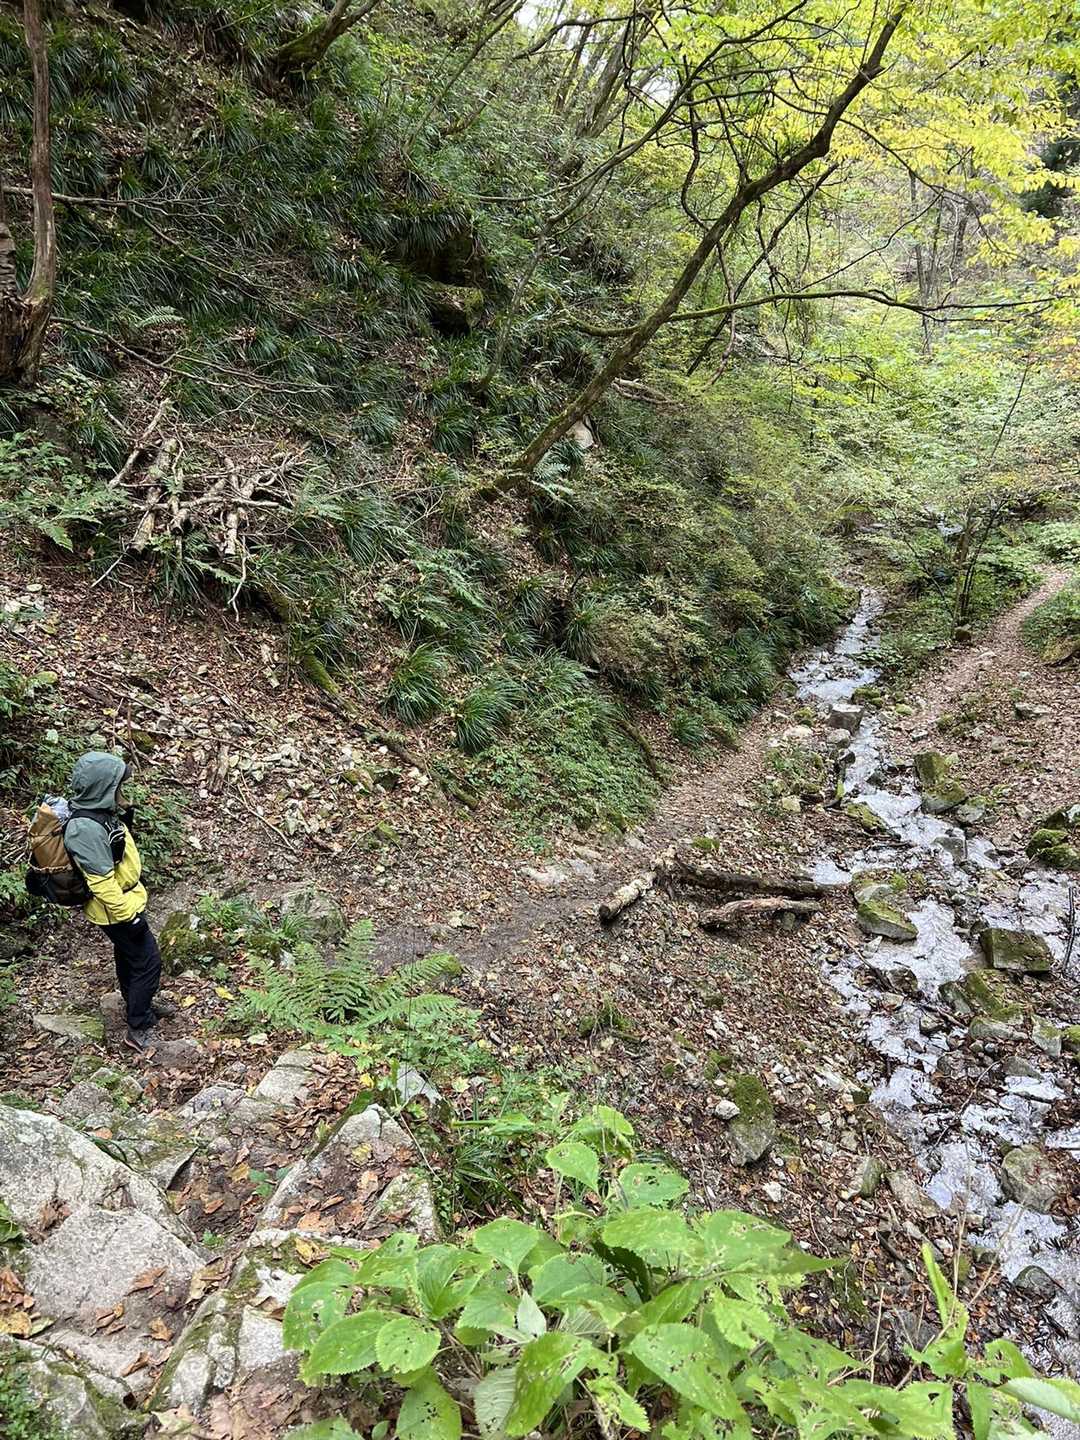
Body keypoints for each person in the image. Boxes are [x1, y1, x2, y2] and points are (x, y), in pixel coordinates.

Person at [64, 752, 173, 1052]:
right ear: (103, 787)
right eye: (117, 785)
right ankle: (138, 1027)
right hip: (116, 909)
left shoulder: (99, 811)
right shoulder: (84, 829)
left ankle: (139, 1004)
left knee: (129, 957)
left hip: (124, 901)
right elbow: (101, 882)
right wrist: (129, 917)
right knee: (148, 962)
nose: (122, 790)